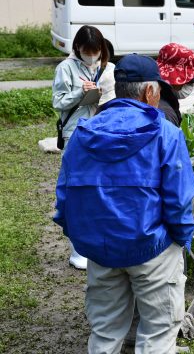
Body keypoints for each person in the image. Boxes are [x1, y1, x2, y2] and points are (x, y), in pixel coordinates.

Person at [53, 54, 194, 353]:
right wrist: (180, 241)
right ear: (149, 92)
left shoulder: (82, 133)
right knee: (157, 333)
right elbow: (180, 201)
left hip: (101, 250)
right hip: (152, 247)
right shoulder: (165, 133)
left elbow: (65, 195)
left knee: (104, 333)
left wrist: (85, 240)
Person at [51, 25, 115, 270]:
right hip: (77, 133)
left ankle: (98, 244)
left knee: (101, 188)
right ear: (77, 47)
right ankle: (77, 250)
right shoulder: (65, 68)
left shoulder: (109, 69)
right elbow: (58, 102)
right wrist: (80, 92)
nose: (91, 55)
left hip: (104, 131)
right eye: (87, 51)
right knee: (77, 187)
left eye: (96, 51)